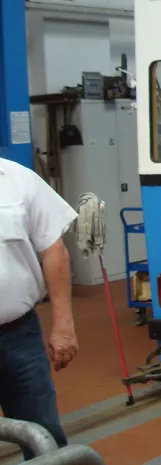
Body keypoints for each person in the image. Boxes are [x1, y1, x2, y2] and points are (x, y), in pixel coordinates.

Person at [0, 157, 79, 460]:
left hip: (19, 336)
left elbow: (54, 252)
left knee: (43, 433)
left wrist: (64, 326)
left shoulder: (20, 179)